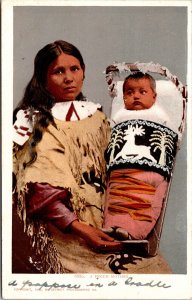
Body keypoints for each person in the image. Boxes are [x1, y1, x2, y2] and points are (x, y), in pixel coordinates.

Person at [13, 40, 122, 273]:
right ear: (43, 79)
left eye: (75, 69)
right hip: (65, 232)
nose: (69, 78)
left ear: (83, 71)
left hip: (106, 220)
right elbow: (40, 191)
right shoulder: (34, 122)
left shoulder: (97, 117)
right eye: (58, 71)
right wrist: (80, 228)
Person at [103, 72, 178, 240]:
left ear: (154, 96)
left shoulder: (160, 117)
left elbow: (169, 142)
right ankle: (112, 226)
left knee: (143, 198)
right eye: (129, 93)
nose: (135, 96)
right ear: (123, 98)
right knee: (116, 196)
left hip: (149, 170)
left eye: (142, 92)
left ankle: (133, 230)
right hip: (120, 170)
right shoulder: (118, 118)